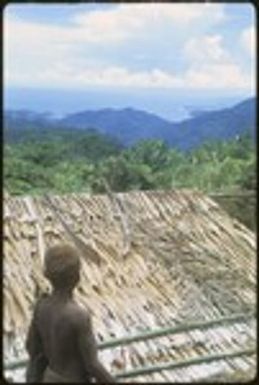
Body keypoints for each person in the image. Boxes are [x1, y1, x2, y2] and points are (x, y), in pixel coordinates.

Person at [26, 243, 116, 383]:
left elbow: (31, 347)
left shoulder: (41, 307)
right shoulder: (78, 316)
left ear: (48, 275)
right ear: (77, 277)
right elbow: (92, 365)